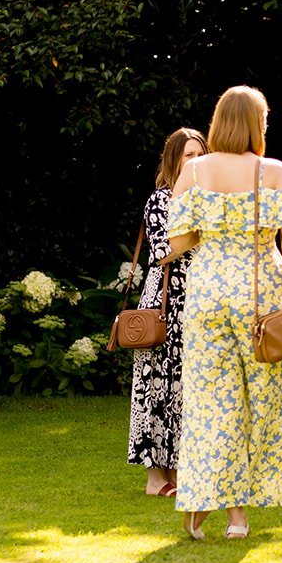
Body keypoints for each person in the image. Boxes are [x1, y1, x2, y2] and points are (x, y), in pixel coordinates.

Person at [162, 86, 282, 541]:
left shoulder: (193, 171)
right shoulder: (275, 172)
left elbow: (177, 244)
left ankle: (202, 506)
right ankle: (239, 520)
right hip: (262, 295)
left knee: (210, 405)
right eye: (264, 119)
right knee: (258, 405)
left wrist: (212, 239)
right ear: (254, 123)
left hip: (207, 297)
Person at [127, 126, 204, 497]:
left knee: (184, 389)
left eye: (200, 154)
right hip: (165, 301)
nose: (196, 161)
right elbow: (160, 251)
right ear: (174, 160)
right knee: (157, 387)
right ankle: (155, 478)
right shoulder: (161, 199)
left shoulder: (207, 196)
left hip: (199, 299)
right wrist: (198, 233)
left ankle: (177, 469)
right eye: (189, 155)